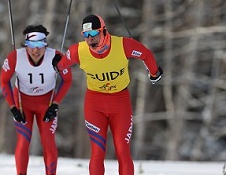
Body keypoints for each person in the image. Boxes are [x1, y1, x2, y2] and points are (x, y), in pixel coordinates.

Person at [52, 15, 163, 175]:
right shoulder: (78, 51)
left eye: (94, 34)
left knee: (122, 149)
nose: (90, 39)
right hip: (94, 103)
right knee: (97, 150)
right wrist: (57, 64)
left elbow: (145, 54)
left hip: (120, 102)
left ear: (104, 31)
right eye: (86, 35)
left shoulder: (123, 45)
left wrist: (154, 73)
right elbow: (62, 65)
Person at [0, 24, 72, 175]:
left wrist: (56, 104)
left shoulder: (56, 57)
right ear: (26, 44)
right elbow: (4, 81)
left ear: (45, 44)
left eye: (40, 44)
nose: (36, 50)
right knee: (23, 141)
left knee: (48, 142)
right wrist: (13, 107)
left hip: (46, 104)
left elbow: (67, 80)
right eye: (31, 45)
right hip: (22, 102)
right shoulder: (15, 57)